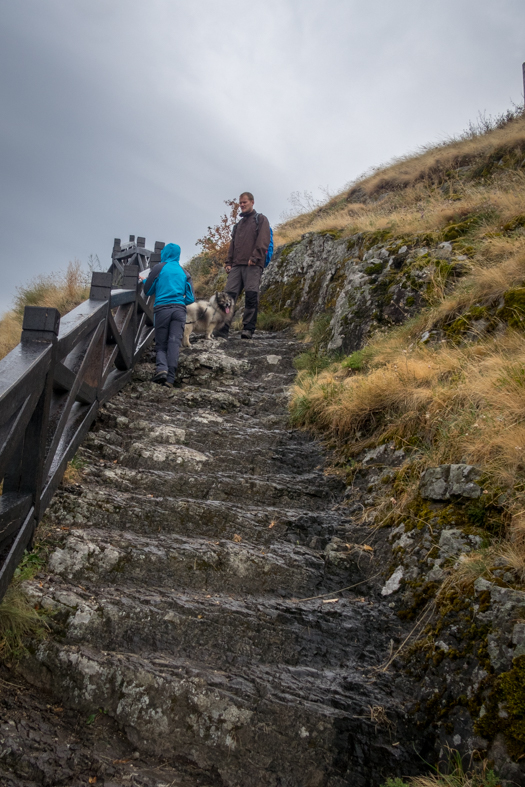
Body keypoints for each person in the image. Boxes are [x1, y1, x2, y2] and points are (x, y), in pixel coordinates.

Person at [216, 191, 271, 340]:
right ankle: (222, 329)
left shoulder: (261, 219)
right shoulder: (238, 225)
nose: (242, 205)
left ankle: (248, 329)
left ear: (252, 202)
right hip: (237, 266)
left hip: (253, 265)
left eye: (244, 202)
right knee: (227, 296)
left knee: (251, 296)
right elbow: (232, 245)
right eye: (240, 203)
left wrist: (255, 257)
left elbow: (263, 240)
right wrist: (228, 262)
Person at [142, 243, 195, 387]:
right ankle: (170, 379)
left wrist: (144, 281)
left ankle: (161, 369)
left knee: (161, 344)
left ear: (164, 253)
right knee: (174, 342)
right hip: (179, 311)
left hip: (162, 310)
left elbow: (148, 290)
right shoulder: (184, 272)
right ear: (178, 254)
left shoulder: (159, 268)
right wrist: (179, 300)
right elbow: (190, 298)